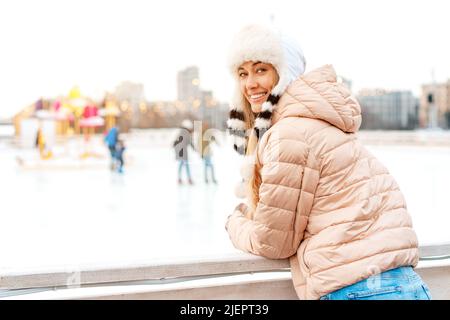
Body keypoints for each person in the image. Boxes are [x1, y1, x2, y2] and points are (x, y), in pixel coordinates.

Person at [224, 24, 431, 300]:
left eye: (261, 70)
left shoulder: (290, 134)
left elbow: (273, 241)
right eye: (243, 73)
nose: (249, 84)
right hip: (406, 285)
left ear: (286, 74)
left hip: (358, 290)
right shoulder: (326, 126)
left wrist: (235, 223)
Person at [173, 119, 195, 185]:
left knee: (181, 164)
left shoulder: (180, 132)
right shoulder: (186, 133)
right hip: (183, 152)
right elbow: (190, 142)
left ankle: (180, 178)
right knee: (186, 165)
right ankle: (189, 179)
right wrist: (195, 149)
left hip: (179, 152)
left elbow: (175, 143)